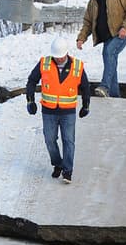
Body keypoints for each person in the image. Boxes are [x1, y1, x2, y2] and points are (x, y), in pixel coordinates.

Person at [25, 36, 91, 184]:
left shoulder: (77, 66)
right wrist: (30, 100)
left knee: (69, 141)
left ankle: (67, 171)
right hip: (49, 111)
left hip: (68, 112)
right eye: (56, 57)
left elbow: (86, 87)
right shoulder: (44, 63)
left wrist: (86, 105)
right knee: (49, 140)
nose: (59, 59)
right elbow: (31, 81)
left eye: (61, 57)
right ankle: (57, 163)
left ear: (66, 53)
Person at [77, 0, 126, 98]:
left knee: (109, 53)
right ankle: (115, 95)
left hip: (122, 33)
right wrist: (81, 38)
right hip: (107, 37)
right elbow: (88, 22)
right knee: (110, 60)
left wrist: (125, 27)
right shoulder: (93, 2)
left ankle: (105, 87)